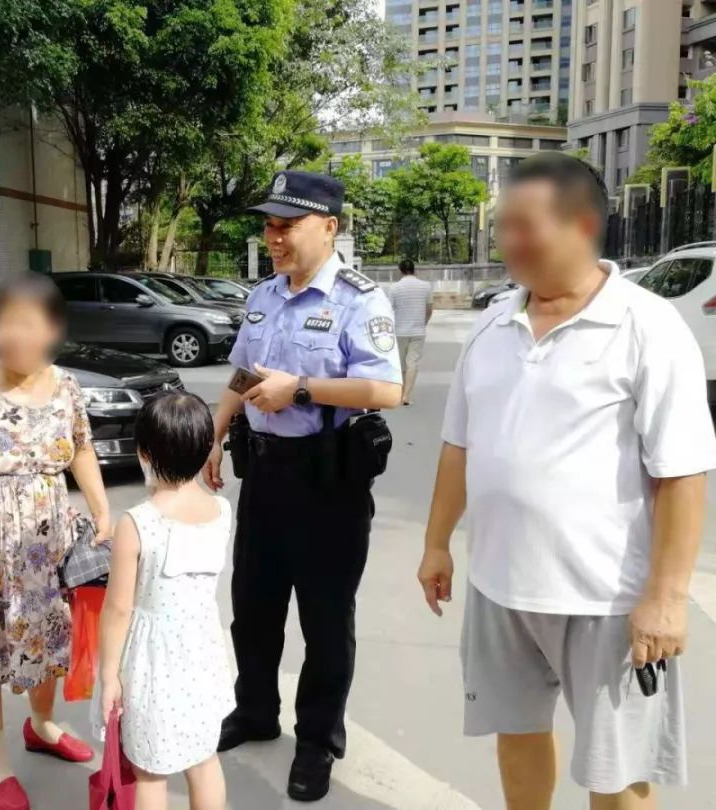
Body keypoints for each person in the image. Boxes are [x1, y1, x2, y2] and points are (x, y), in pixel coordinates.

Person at [418, 153, 716, 810]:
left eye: (524, 227)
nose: (508, 242)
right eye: (502, 226)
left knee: (619, 767)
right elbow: (459, 445)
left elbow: (682, 472)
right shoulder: (492, 325)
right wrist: (437, 542)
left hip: (606, 598)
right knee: (517, 732)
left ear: (582, 226)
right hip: (499, 586)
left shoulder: (647, 325)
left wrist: (666, 599)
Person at [203, 170, 403, 802]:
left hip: (329, 483)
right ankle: (255, 711)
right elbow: (242, 371)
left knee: (325, 620)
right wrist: (215, 432)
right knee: (253, 608)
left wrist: (302, 389)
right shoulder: (264, 295)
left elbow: (386, 389)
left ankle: (317, 741)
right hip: (264, 474)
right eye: (269, 225)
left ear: (329, 227)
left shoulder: (359, 300)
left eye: (287, 225)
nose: (274, 237)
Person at [0, 272, 113, 810]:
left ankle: (43, 725)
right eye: (6, 324)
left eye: (29, 325)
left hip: (47, 541)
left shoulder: (66, 386)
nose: (15, 336)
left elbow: (81, 447)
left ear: (52, 330)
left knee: (47, 638)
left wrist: (101, 508)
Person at [97, 392, 234, 810]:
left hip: (152, 663)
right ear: (205, 448)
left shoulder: (137, 523)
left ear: (143, 453)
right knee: (204, 760)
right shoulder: (221, 510)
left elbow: (118, 609)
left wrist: (108, 675)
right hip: (203, 654)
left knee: (150, 773)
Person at [386, 257, 433, 405]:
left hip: (399, 330)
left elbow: (388, 310)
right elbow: (429, 309)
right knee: (412, 362)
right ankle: (406, 396)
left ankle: (398, 393)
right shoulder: (425, 286)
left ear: (400, 271)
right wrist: (423, 323)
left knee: (400, 363)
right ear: (414, 270)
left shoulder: (395, 288)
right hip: (418, 331)